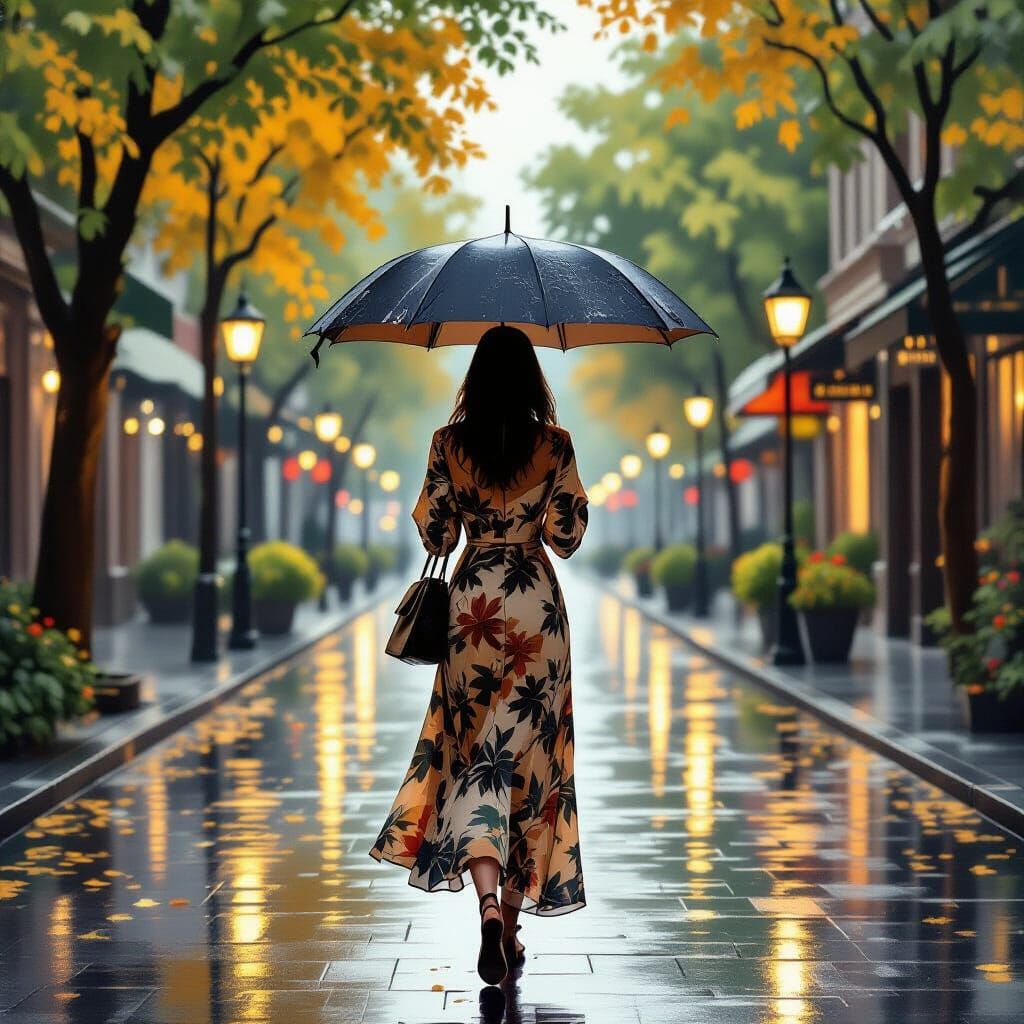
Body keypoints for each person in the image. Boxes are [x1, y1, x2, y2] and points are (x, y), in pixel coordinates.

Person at [369, 324, 589, 986]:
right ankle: (512, 927)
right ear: (533, 380)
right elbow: (566, 534)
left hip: (471, 613)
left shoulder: (448, 443)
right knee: (528, 770)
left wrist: (465, 502)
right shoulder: (555, 444)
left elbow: (433, 527)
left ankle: (489, 909)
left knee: (476, 765)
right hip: (535, 610)